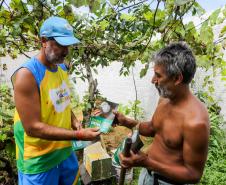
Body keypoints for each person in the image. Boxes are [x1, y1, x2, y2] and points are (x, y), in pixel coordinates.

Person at [12, 16, 100, 185]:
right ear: (43, 41)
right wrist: (78, 135)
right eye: (60, 45)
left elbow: (62, 100)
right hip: (39, 160)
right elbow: (32, 128)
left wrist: (73, 120)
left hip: (64, 151)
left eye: (68, 45)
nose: (66, 51)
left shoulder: (60, 67)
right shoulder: (27, 75)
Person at [114, 42, 210, 185]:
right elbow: (153, 127)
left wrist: (147, 162)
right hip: (147, 175)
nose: (153, 80)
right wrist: (127, 122)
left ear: (177, 78)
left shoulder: (196, 122)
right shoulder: (164, 99)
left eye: (158, 75)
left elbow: (193, 174)